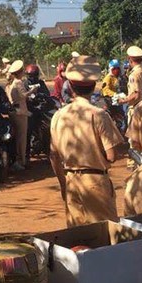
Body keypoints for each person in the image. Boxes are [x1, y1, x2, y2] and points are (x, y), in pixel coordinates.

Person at [49, 59, 124, 226]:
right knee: (105, 235)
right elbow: (111, 155)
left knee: (78, 237)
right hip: (96, 182)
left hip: (71, 182)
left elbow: (53, 156)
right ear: (93, 87)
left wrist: (63, 185)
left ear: (70, 88)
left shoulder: (58, 115)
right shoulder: (99, 115)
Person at [6, 60, 36, 171]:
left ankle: (18, 160)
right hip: (21, 112)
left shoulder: (11, 83)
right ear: (20, 72)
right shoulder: (18, 82)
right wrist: (33, 90)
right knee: (22, 138)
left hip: (15, 111)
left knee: (17, 137)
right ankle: (21, 161)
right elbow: (24, 95)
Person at [119, 46, 142, 116]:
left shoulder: (134, 75)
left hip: (136, 109)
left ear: (130, 59)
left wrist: (123, 100)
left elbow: (136, 95)